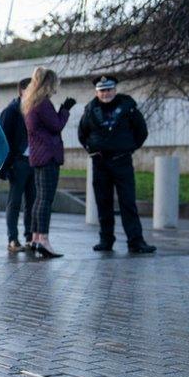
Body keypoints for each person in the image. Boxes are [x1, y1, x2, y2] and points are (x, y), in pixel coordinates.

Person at [78, 75, 156, 254]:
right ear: (97, 92)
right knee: (103, 203)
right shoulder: (90, 109)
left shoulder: (128, 107)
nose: (106, 93)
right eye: (102, 90)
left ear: (115, 89)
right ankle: (106, 240)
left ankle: (136, 242)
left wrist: (129, 148)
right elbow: (82, 134)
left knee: (128, 202)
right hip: (100, 163)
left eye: (109, 89)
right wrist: (92, 149)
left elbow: (141, 131)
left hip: (122, 161)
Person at [22, 67, 75, 259]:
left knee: (39, 199)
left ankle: (36, 238)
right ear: (49, 84)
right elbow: (56, 125)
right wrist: (65, 110)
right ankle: (43, 240)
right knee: (45, 199)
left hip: (38, 156)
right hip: (48, 156)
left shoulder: (31, 102)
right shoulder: (43, 104)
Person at [0, 78, 35, 252]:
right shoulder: (11, 111)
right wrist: (6, 167)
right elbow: (3, 140)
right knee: (14, 202)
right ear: (22, 91)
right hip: (18, 163)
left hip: (35, 163)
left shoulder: (36, 109)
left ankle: (30, 237)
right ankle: (12, 239)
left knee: (32, 202)